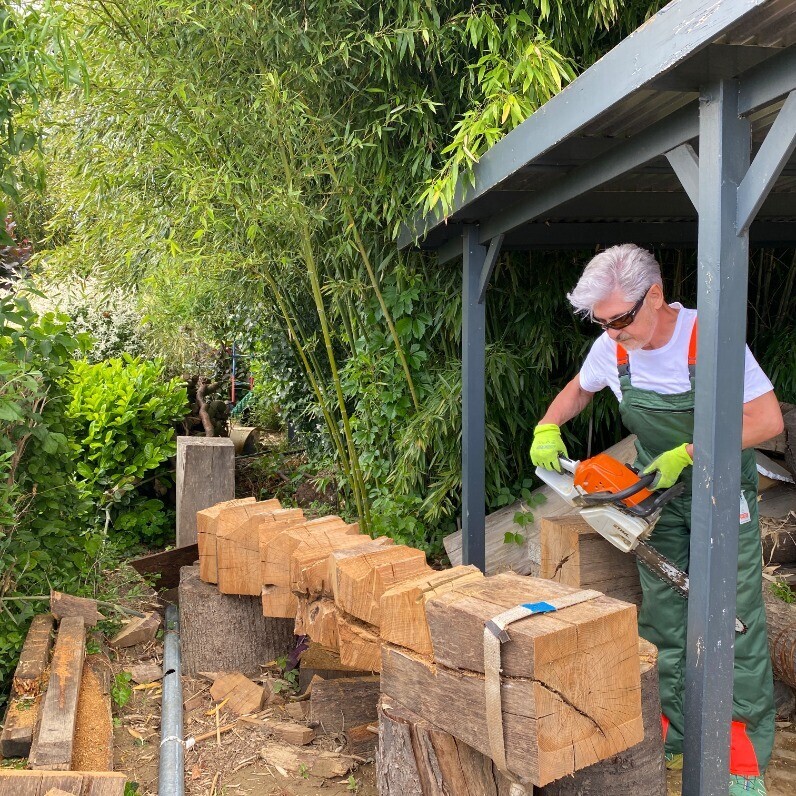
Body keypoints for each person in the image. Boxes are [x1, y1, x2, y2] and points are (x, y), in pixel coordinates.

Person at [530, 244, 783, 796]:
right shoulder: (611, 348)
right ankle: (672, 737)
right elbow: (580, 388)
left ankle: (740, 762)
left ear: (657, 295)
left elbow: (765, 422)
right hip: (654, 497)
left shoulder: (708, 339)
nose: (613, 334)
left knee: (733, 617)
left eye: (620, 320)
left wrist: (693, 453)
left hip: (719, 494)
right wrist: (547, 425)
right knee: (666, 617)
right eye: (602, 323)